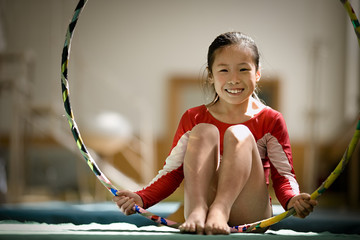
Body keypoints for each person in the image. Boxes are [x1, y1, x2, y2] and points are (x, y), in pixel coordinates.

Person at [113, 31, 317, 235]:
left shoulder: (270, 119)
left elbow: (283, 175)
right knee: (203, 130)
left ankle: (220, 210)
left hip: (249, 211)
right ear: (210, 75)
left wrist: (292, 200)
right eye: (224, 70)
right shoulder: (193, 118)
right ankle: (197, 210)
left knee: (239, 133)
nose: (234, 79)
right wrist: (141, 198)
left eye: (243, 69)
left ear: (257, 73)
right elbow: (173, 172)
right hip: (200, 209)